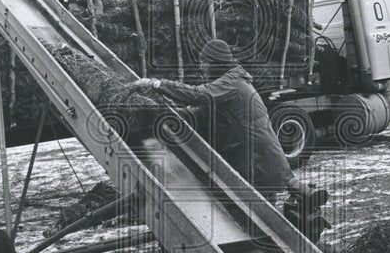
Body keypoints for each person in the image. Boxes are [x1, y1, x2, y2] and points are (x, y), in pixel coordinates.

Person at [132, 39, 317, 203]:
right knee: (264, 198)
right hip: (253, 152)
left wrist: (158, 84)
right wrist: (167, 110)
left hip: (257, 153)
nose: (202, 67)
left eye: (205, 63)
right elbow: (202, 111)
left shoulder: (232, 82)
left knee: (262, 206)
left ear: (217, 63)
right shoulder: (231, 83)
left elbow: (200, 95)